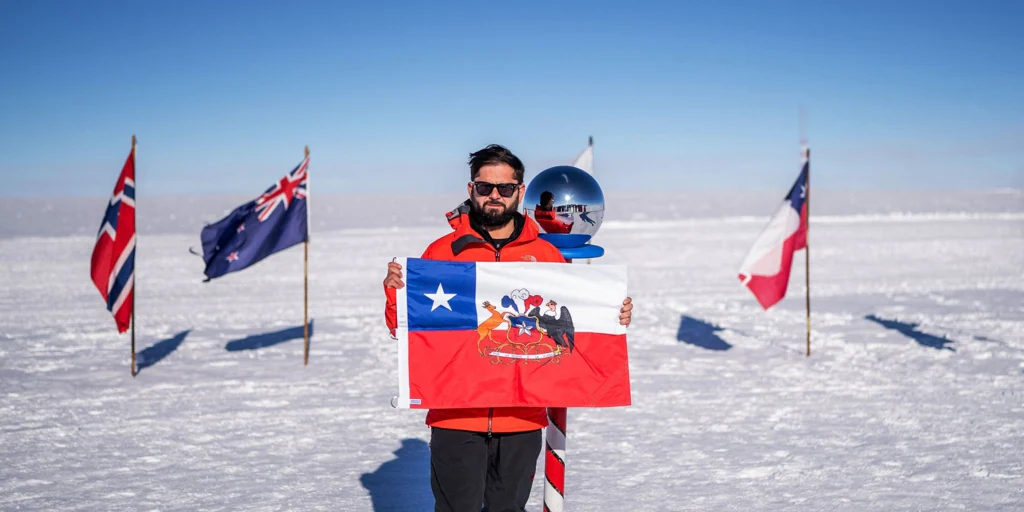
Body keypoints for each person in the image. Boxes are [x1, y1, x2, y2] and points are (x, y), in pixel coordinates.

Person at [383, 144, 633, 512]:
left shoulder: (548, 256)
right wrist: (396, 294)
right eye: (485, 187)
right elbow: (405, 328)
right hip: (456, 415)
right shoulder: (441, 252)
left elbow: (571, 315)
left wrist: (614, 313)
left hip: (522, 416)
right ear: (471, 190)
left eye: (504, 188)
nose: (494, 196)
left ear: (520, 190)